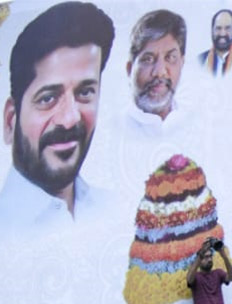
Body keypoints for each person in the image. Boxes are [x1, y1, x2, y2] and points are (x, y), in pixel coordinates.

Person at [0, 1, 115, 233]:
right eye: (48, 98)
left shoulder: (115, 209)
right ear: (11, 120)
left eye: (85, 93)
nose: (70, 118)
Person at [125, 9, 186, 132]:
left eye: (170, 58)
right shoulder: (111, 131)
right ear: (130, 69)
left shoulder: (195, 127)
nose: (159, 72)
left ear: (182, 64)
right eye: (148, 59)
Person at [198, 9, 232, 75]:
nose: (222, 33)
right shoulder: (201, 60)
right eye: (218, 28)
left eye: (227, 28)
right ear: (212, 31)